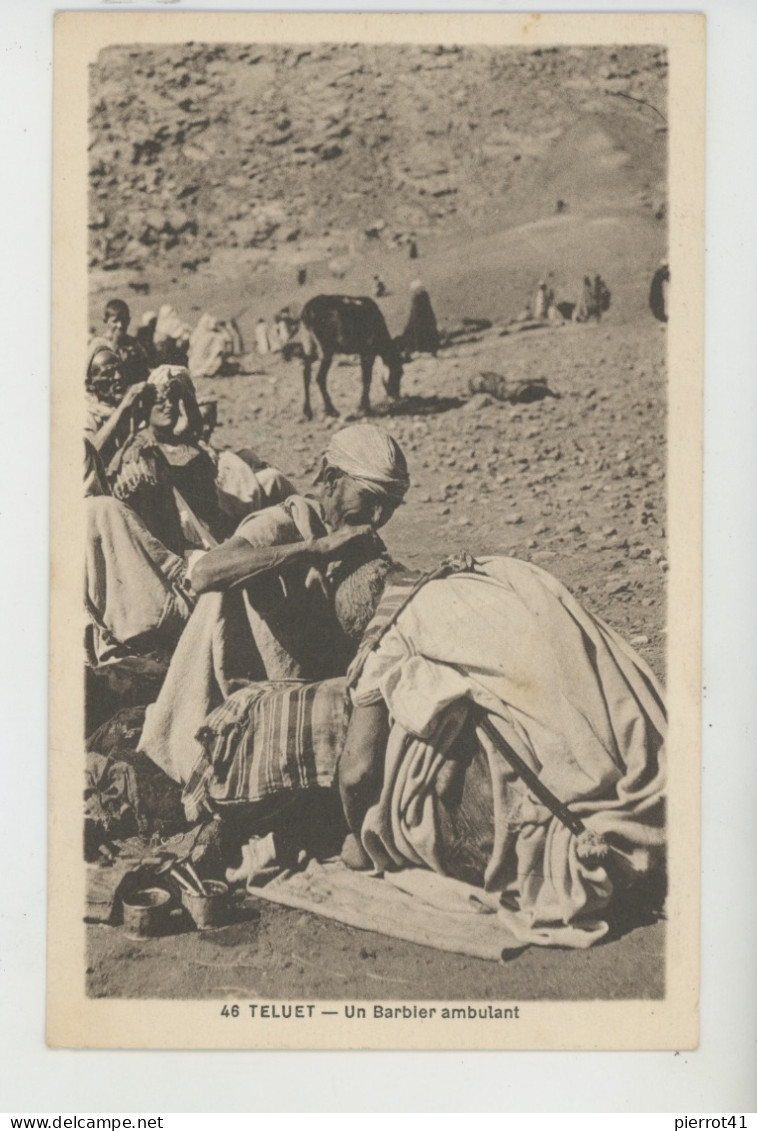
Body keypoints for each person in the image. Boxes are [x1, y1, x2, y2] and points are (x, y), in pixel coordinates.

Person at [333, 551, 666, 948]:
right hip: (637, 767)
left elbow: (357, 771)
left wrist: (362, 840)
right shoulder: (492, 571)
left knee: (412, 740)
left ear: (366, 618)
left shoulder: (390, 633)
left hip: (568, 811)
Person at [138, 424, 411, 787]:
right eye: (371, 500)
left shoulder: (357, 541)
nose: (378, 518)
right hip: (235, 712)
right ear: (331, 479)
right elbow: (205, 573)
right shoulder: (285, 522)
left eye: (388, 507)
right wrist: (311, 551)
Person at [108, 365, 232, 556]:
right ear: (146, 407)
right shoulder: (140, 451)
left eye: (173, 400)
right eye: (159, 401)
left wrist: (185, 433)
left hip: (202, 538)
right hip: (168, 551)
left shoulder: (181, 445)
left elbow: (207, 500)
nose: (169, 405)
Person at [197, 397, 297, 524]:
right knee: (275, 478)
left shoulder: (202, 444)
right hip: (224, 501)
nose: (207, 428)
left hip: (232, 489)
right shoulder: (191, 448)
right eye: (202, 421)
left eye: (211, 421)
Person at [85, 342, 146, 466]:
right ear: (91, 384)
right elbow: (90, 453)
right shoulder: (88, 415)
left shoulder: (132, 406)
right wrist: (123, 408)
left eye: (120, 370)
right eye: (108, 373)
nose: (118, 377)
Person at [101, 298, 151, 385]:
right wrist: (114, 343)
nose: (120, 325)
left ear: (128, 320)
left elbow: (144, 371)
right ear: (106, 321)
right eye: (115, 321)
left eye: (123, 320)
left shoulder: (134, 344)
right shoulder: (100, 345)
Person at [397, 279, 440, 357]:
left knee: (411, 340)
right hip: (425, 324)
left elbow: (414, 316)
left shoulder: (417, 301)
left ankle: (408, 353)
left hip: (417, 325)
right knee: (430, 337)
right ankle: (433, 351)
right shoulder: (424, 299)